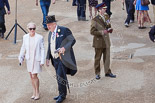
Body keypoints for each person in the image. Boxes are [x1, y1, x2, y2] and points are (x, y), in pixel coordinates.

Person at [46, 15, 77, 103]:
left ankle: (62, 95)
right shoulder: (50, 33)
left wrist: (65, 48)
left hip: (62, 58)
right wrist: (47, 57)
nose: (48, 26)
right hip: (54, 59)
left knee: (60, 76)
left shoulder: (64, 30)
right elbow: (50, 45)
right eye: (47, 25)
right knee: (59, 76)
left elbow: (72, 40)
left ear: (55, 24)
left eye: (50, 25)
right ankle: (61, 93)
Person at [18, 22, 45, 100]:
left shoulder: (40, 37)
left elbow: (42, 49)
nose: (32, 30)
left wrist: (42, 60)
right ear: (28, 29)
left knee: (34, 76)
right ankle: (34, 91)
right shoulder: (25, 37)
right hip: (29, 59)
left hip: (36, 59)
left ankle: (37, 92)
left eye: (34, 28)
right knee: (31, 76)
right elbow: (23, 48)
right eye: (30, 29)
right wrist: (21, 57)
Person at [90, 2, 116, 80]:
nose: (105, 10)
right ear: (100, 10)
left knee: (107, 57)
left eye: (105, 9)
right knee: (98, 58)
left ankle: (107, 71)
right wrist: (102, 32)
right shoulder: (95, 19)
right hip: (98, 42)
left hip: (106, 41)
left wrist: (109, 29)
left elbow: (108, 25)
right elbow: (92, 32)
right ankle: (97, 73)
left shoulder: (106, 16)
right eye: (104, 9)